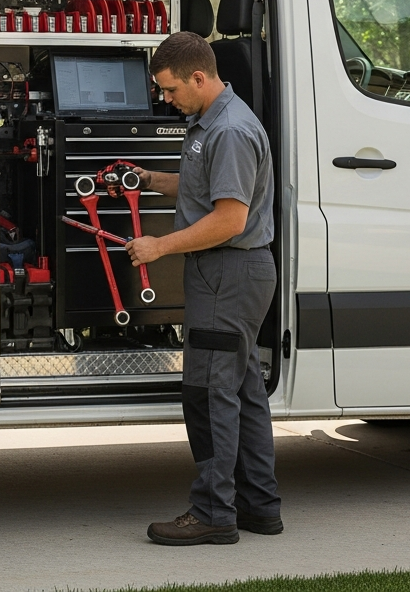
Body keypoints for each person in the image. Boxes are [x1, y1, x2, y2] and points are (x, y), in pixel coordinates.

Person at [125, 31, 281, 546]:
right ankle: (259, 507)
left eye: (170, 91)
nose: (166, 100)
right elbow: (204, 185)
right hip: (230, 275)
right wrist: (146, 178)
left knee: (210, 395)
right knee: (243, 391)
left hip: (227, 273)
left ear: (198, 77)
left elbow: (229, 220)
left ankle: (214, 512)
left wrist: (159, 247)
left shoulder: (231, 130)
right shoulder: (208, 123)